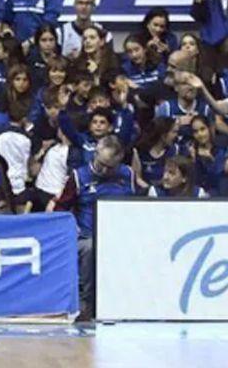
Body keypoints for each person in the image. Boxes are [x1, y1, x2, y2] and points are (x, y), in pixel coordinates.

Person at [51, 135, 133, 320]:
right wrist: (73, 228)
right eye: (101, 163)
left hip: (120, 234)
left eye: (110, 167)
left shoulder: (128, 174)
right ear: (95, 153)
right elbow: (61, 209)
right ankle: (87, 302)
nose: (104, 170)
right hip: (87, 235)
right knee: (89, 248)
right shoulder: (79, 176)